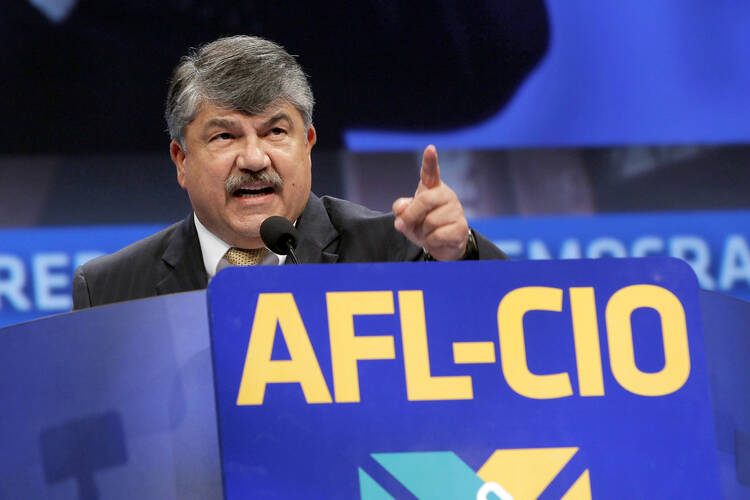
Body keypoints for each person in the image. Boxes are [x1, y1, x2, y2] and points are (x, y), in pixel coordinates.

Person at [72, 35, 506, 309]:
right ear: (181, 159)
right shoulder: (110, 289)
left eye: (275, 132)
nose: (255, 159)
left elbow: (512, 330)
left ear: (308, 145)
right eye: (225, 137)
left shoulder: (394, 253)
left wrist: (459, 255)